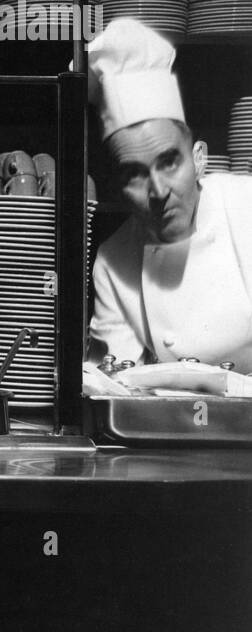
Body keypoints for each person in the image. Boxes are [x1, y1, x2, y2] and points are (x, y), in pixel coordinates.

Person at [87, 19, 252, 371]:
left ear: (200, 159)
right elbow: (118, 383)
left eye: (169, 162)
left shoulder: (246, 209)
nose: (158, 191)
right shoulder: (113, 262)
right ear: (118, 186)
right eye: (136, 174)